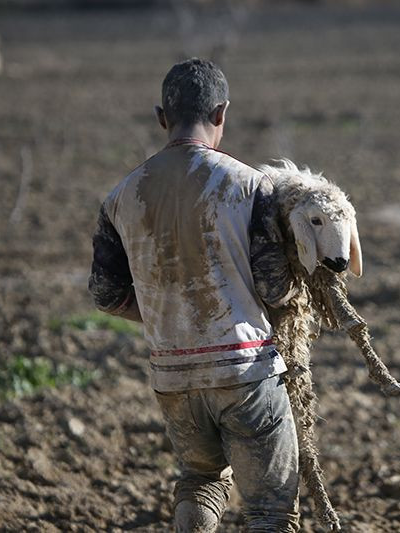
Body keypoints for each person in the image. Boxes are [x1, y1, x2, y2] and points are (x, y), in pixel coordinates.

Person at [88, 58, 300, 533]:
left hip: (173, 377)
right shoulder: (249, 185)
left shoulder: (122, 194)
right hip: (245, 371)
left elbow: (105, 294)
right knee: (270, 509)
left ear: (162, 117)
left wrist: (170, 317)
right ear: (221, 113)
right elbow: (274, 288)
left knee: (200, 481)